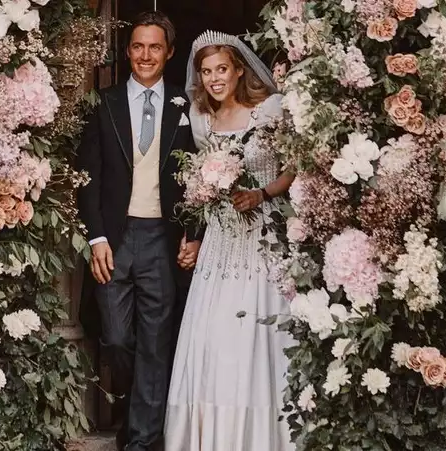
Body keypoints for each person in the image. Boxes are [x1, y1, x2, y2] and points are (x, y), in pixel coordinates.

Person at [164, 30, 297, 451]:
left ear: (239, 70)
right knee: (217, 334)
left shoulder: (271, 109)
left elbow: (295, 165)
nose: (214, 79)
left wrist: (263, 193)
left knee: (258, 334)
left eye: (221, 69)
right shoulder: (203, 123)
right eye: (206, 72)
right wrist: (197, 234)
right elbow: (202, 188)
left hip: (263, 234)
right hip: (222, 240)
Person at [75, 11, 202, 451]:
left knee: (155, 343)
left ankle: (142, 442)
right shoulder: (102, 102)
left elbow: (202, 180)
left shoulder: (188, 107)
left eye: (154, 47)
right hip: (115, 237)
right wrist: (97, 238)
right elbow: (87, 177)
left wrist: (194, 232)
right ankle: (136, 410)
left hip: (162, 240)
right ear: (127, 52)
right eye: (137, 46)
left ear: (168, 53)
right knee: (115, 337)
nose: (145, 55)